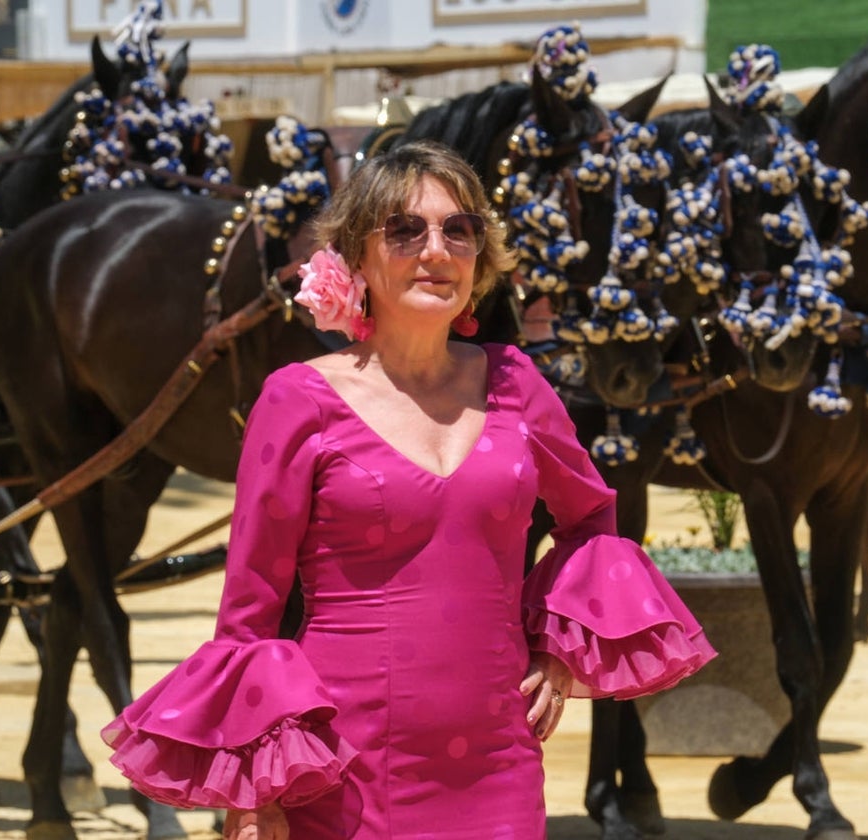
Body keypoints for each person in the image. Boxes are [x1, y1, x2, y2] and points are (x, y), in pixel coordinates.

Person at [101, 140, 716, 839]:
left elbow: (592, 519)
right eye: (405, 230)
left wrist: (554, 649)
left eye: (460, 229)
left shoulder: (517, 382)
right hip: (346, 771)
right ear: (357, 257)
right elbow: (250, 612)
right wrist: (255, 792)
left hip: (500, 760)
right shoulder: (299, 398)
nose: (437, 249)